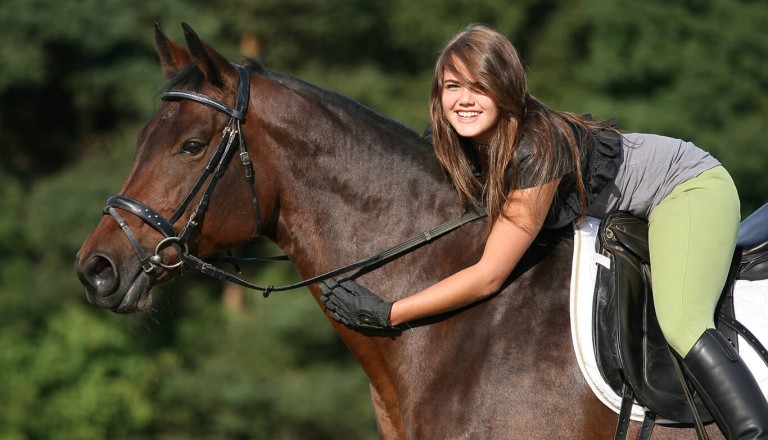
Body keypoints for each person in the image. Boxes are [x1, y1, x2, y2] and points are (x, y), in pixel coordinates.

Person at [319, 24, 768, 438]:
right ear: (438, 96)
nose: (465, 100)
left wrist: (389, 313)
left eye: (480, 87)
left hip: (687, 187)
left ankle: (753, 430)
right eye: (453, 87)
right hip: (631, 204)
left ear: (507, 91)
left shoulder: (537, 148)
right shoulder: (455, 142)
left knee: (682, 321)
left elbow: (489, 275)